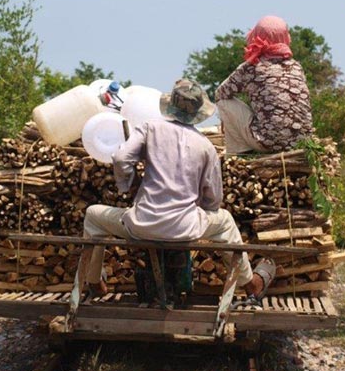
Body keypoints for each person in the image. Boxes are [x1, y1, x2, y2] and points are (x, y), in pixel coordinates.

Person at [82, 78, 275, 299]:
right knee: (226, 222)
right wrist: (198, 207)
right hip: (186, 228)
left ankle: (94, 282)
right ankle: (249, 283)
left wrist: (128, 186)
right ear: (197, 112)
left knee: (92, 216)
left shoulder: (149, 128)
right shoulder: (206, 146)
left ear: (170, 105)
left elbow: (121, 158)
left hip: (141, 224)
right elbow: (213, 199)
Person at [215, 15, 313, 154]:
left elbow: (220, 93)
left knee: (223, 102)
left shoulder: (252, 66)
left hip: (267, 143)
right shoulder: (296, 67)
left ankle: (237, 153)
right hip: (302, 143)